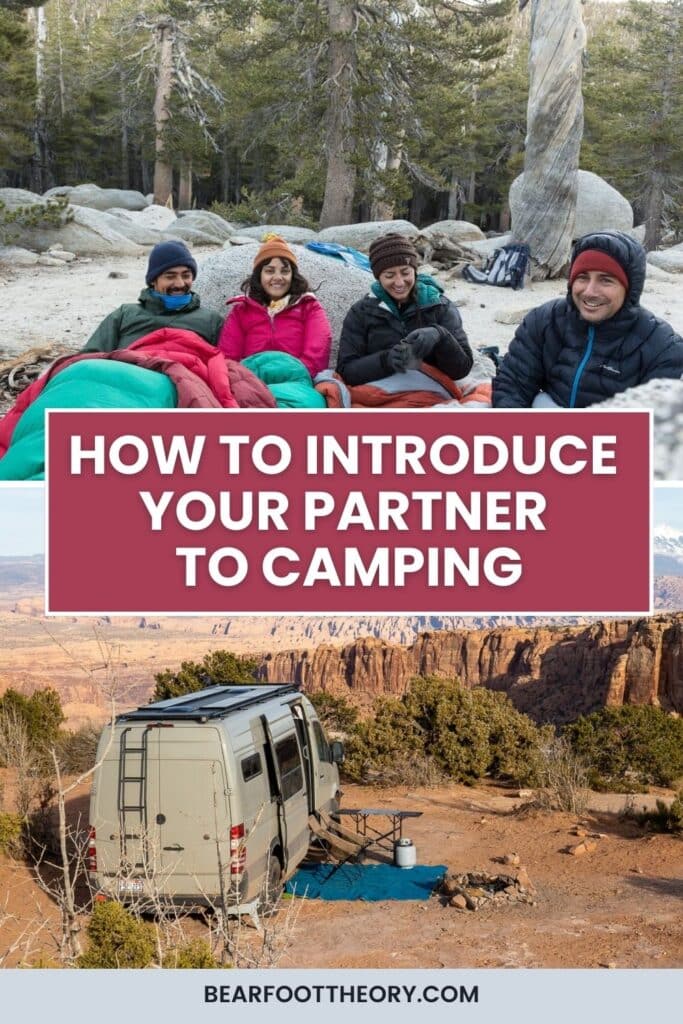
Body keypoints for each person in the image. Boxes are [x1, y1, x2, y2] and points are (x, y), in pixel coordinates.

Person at [493, 230, 683, 408]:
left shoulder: (662, 346)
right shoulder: (544, 320)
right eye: (582, 277)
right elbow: (512, 385)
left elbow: (655, 425)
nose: (590, 291)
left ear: (630, 288)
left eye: (606, 280)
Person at [336, 233, 473, 386]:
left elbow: (462, 370)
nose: (399, 282)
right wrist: (386, 360)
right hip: (381, 395)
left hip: (432, 394)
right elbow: (345, 371)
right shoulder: (360, 312)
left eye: (405, 272)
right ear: (378, 277)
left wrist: (440, 336)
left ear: (415, 270)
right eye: (389, 275)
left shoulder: (440, 306)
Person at [218, 235, 332, 378]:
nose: (278, 277)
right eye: (270, 271)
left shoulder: (309, 308)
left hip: (296, 383)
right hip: (251, 384)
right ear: (259, 275)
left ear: (293, 275)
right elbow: (228, 359)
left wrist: (291, 376)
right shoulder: (241, 311)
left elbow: (316, 356)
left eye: (285, 271)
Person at [82, 240, 224, 352]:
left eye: (186, 275)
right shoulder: (125, 314)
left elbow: (223, 366)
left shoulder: (211, 321)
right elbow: (91, 355)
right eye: (170, 277)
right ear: (153, 280)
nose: (180, 284)